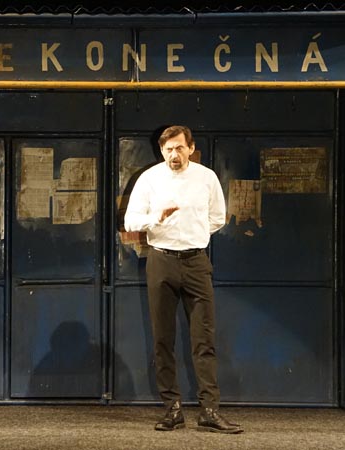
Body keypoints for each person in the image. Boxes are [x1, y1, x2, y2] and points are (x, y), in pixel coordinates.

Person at [123, 125, 242, 434]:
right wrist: (157, 218)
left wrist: (193, 233)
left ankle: (209, 411)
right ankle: (172, 410)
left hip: (196, 261)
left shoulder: (206, 178)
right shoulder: (149, 179)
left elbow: (217, 218)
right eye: (167, 150)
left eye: (178, 148)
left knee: (204, 340)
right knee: (163, 339)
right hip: (161, 260)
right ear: (161, 151)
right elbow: (131, 221)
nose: (173, 155)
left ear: (190, 148)